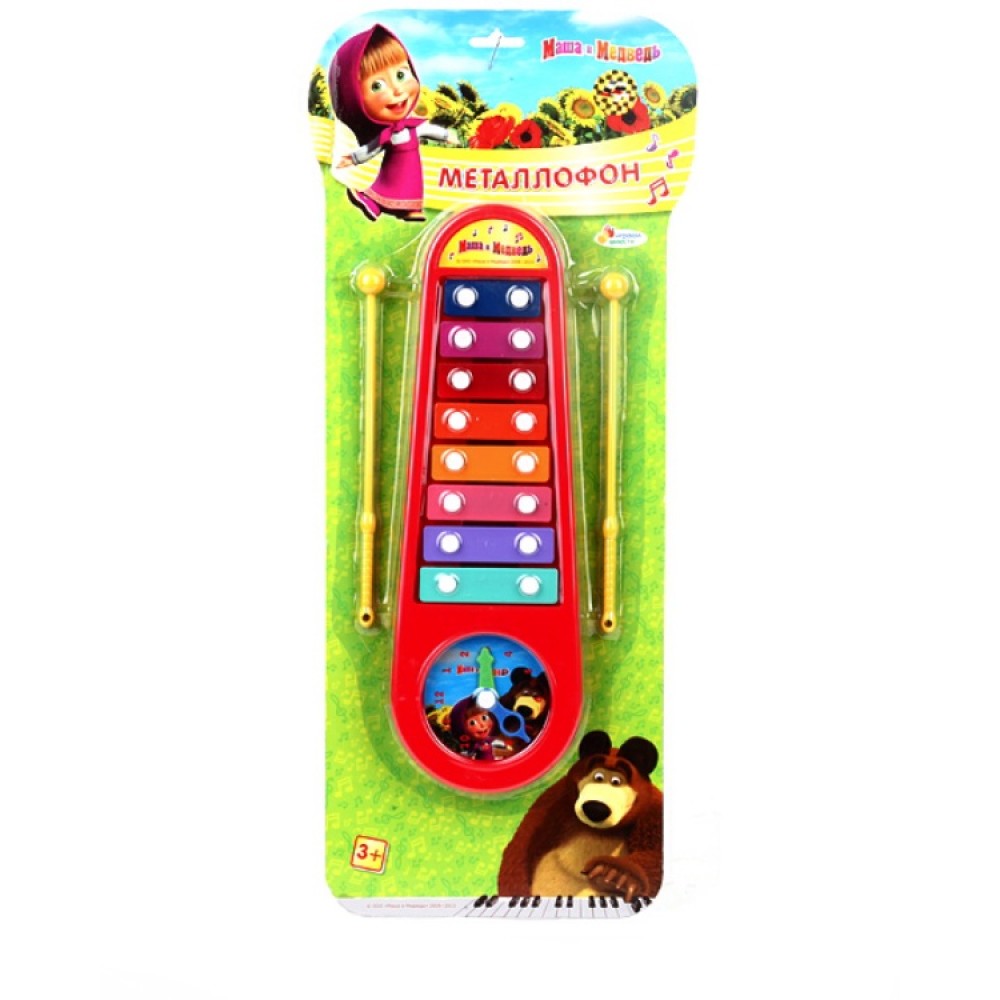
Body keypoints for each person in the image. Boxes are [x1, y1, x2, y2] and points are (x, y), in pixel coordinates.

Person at [329, 24, 457, 222]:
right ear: (355, 98)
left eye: (401, 75)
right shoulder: (387, 135)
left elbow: (428, 130)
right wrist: (353, 158)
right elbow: (372, 149)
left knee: (412, 184)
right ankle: (373, 205)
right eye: (377, 86)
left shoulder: (413, 127)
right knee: (387, 188)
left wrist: (447, 136)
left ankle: (412, 209)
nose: (398, 90)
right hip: (392, 171)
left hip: (411, 167)